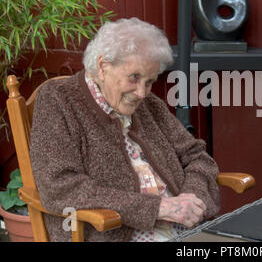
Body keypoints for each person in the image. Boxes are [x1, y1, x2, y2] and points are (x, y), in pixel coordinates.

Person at [29, 18, 220, 242]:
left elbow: (197, 156)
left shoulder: (148, 104)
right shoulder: (58, 100)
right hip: (114, 234)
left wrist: (191, 198)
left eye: (149, 81)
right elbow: (60, 187)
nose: (141, 92)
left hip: (184, 228)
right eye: (134, 78)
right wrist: (156, 208)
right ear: (102, 67)